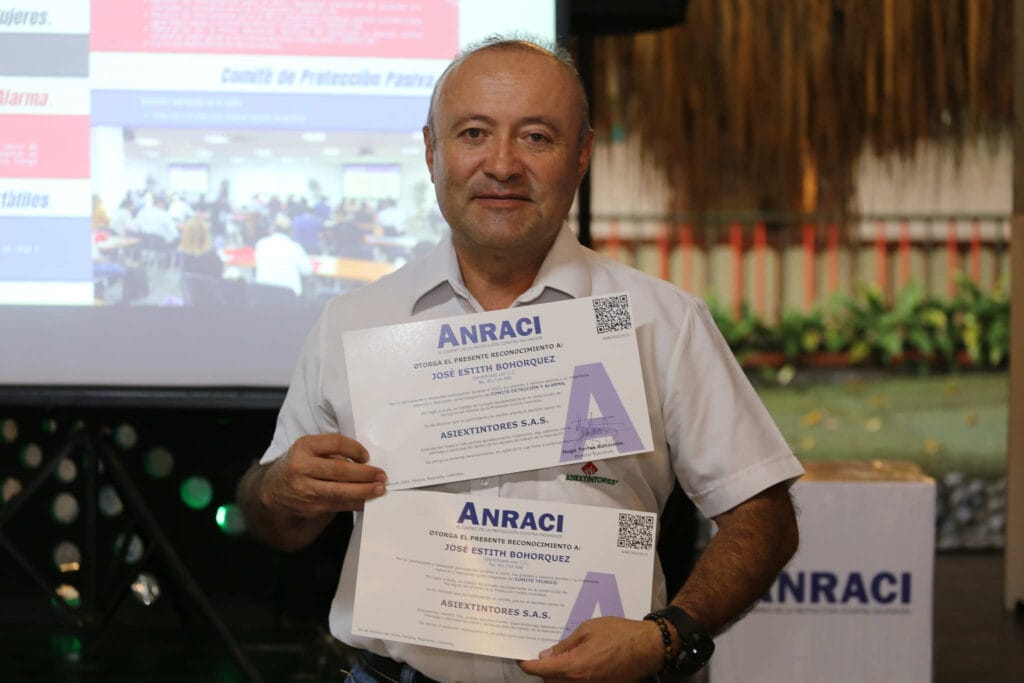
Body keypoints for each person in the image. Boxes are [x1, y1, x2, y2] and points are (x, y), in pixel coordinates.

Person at [237, 36, 803, 683]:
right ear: (432, 152)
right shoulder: (354, 322)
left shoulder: (662, 323)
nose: (502, 165)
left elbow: (764, 516)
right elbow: (275, 522)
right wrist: (280, 490)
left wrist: (669, 635)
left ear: (581, 155)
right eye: (474, 133)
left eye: (536, 137)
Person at [254, 212, 313, 297]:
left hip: (262, 295)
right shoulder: (296, 248)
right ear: (291, 232)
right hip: (289, 297)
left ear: (273, 229)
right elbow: (307, 271)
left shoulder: (260, 244)